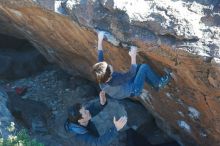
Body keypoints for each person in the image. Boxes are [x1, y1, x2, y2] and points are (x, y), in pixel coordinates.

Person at [93, 31, 171, 100]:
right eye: (109, 67)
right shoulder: (115, 81)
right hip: (134, 89)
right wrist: (133, 55)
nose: (109, 65)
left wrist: (100, 39)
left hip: (124, 88)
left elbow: (100, 58)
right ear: (109, 78)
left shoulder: (101, 76)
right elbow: (131, 73)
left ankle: (154, 85)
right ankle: (159, 84)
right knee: (143, 68)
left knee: (139, 68)